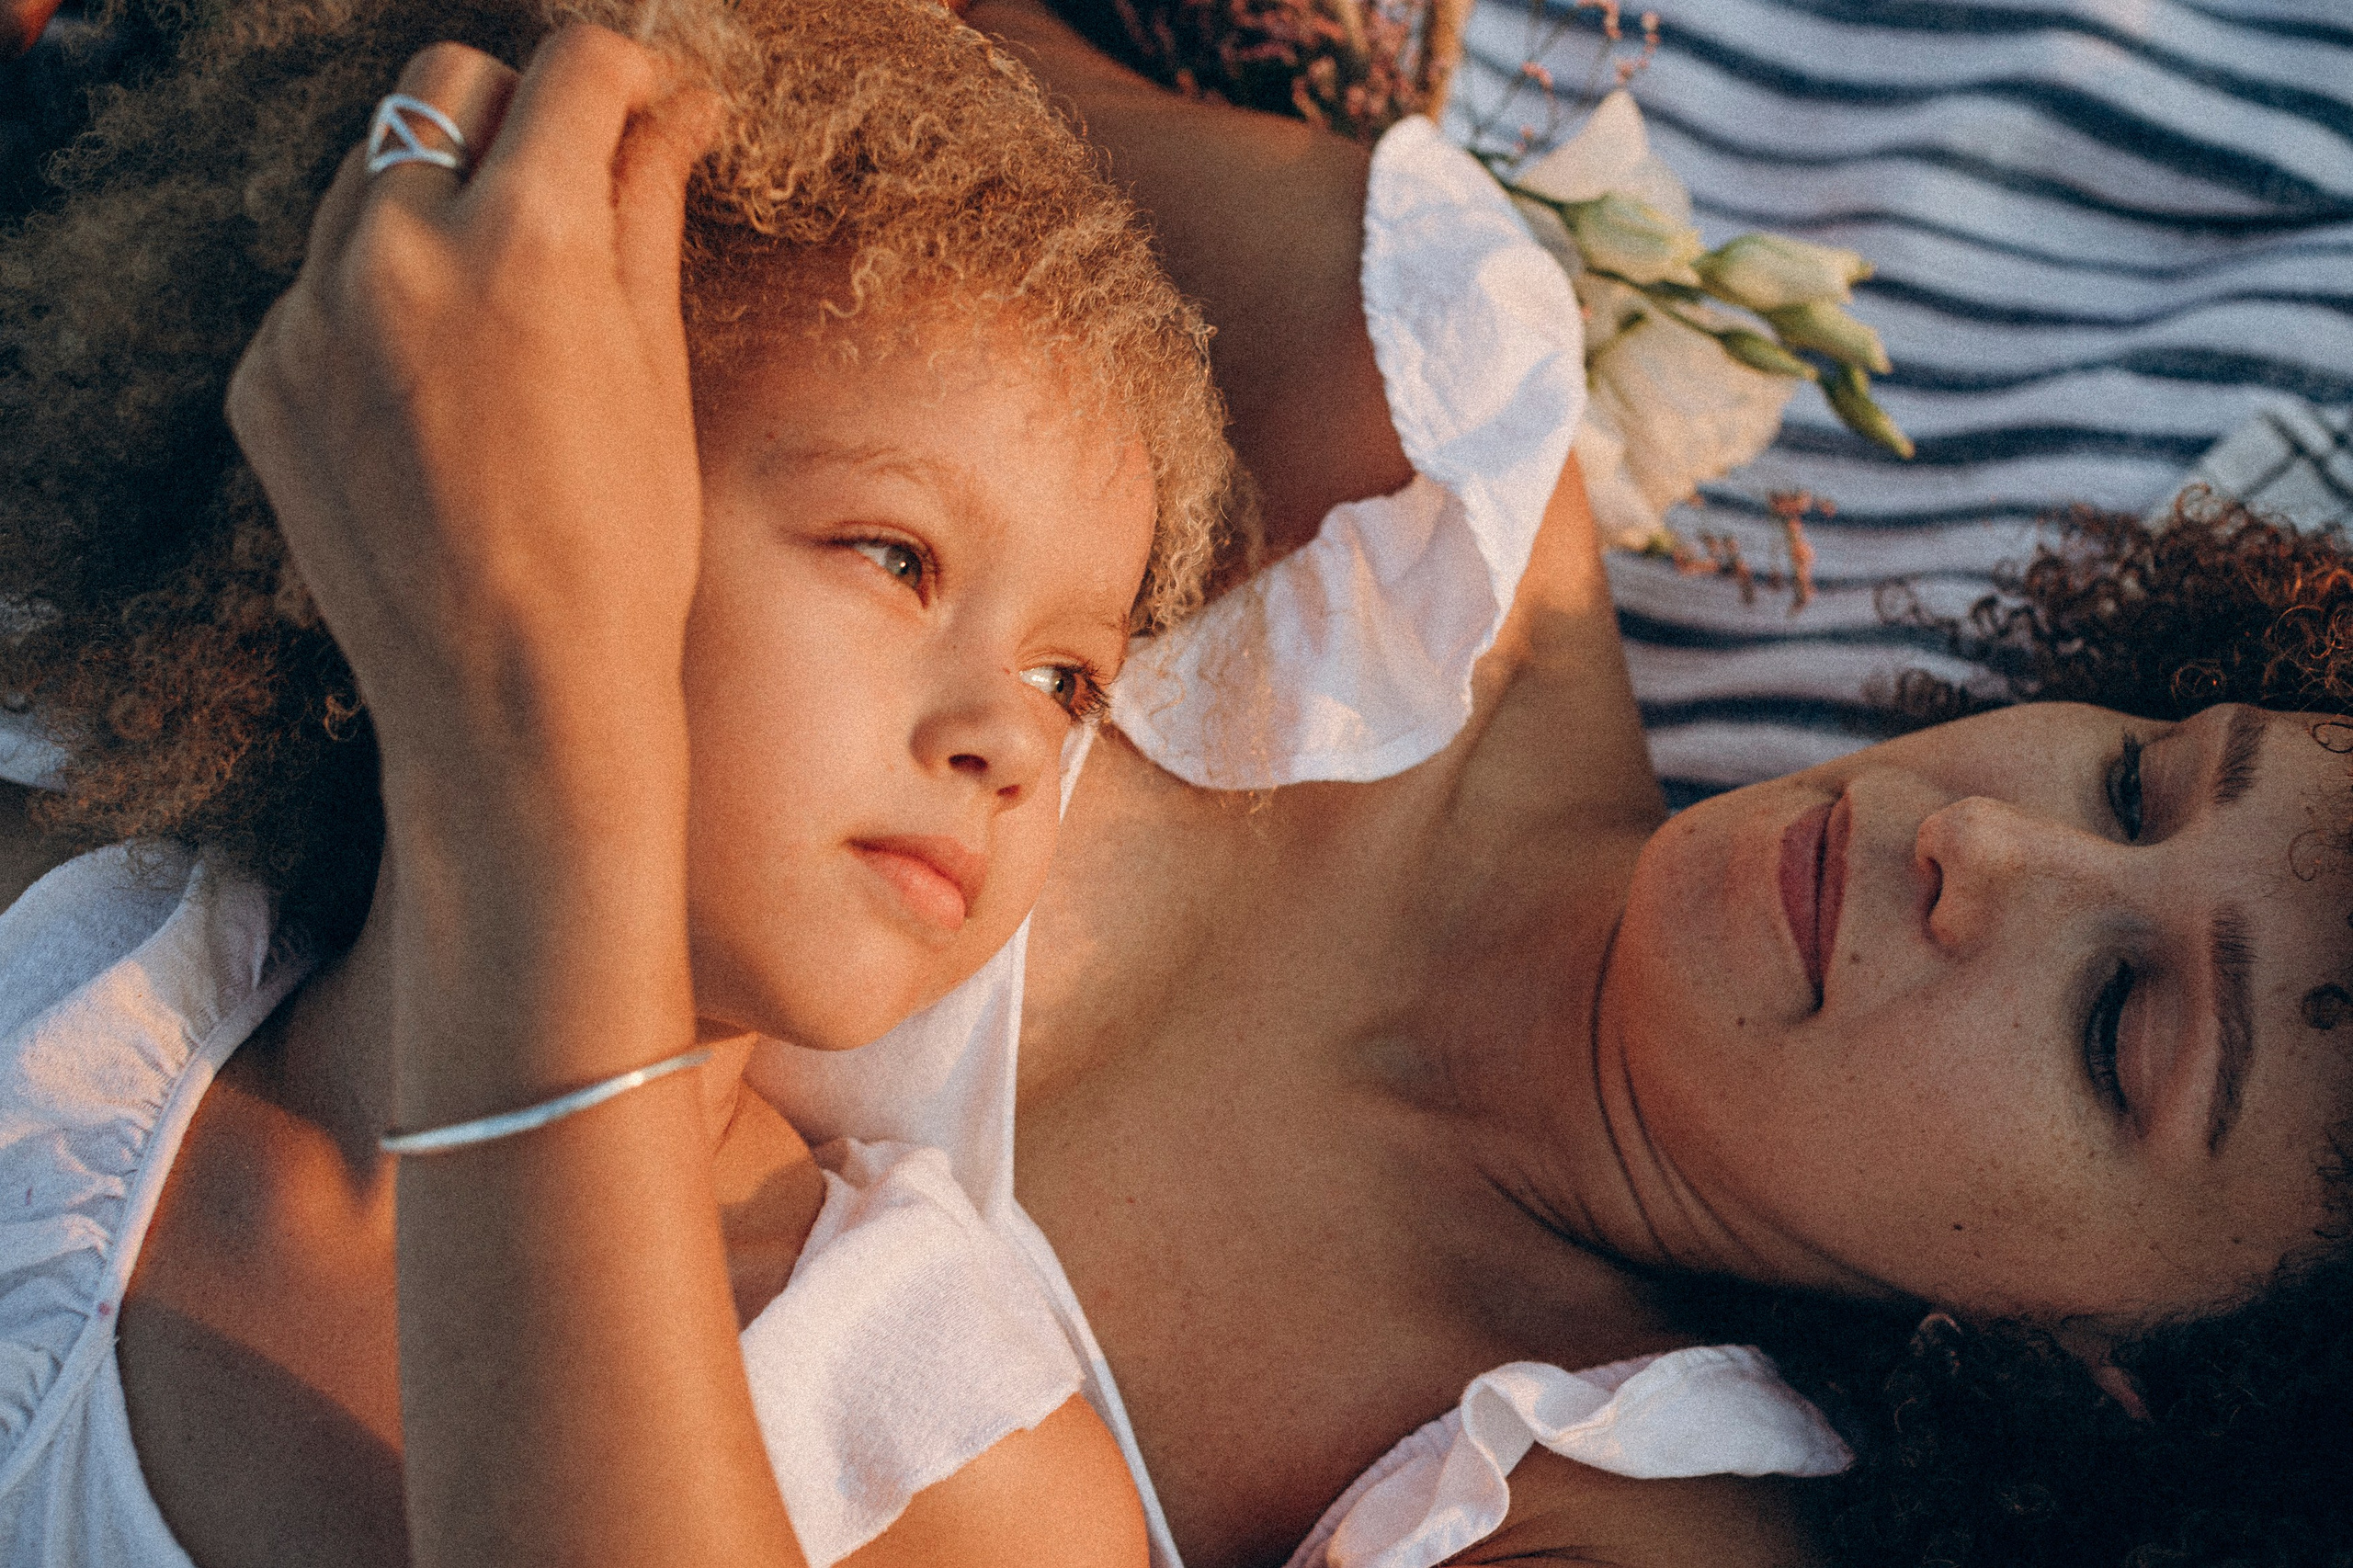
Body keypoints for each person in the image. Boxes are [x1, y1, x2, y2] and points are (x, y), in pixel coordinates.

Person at [6, 7, 2352, 1568]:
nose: (1990, 853)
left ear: (2117, 1386)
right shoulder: (1404, 439)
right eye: (2145, 781)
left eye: (2124, 1025)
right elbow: (678, 77)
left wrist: (537, 761)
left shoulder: (1580, 1524)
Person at [0, 1, 1241, 1564]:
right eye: (895, 555)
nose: (1008, 737)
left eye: (1073, 679)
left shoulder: (954, 1463)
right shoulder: (64, 1033)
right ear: (481, 455)